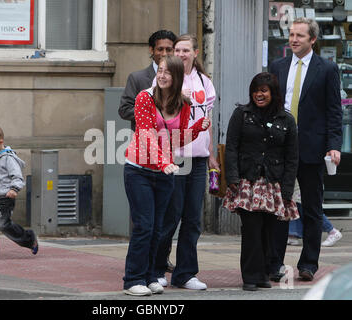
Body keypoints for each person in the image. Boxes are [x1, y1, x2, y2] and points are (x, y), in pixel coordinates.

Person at [122, 55, 210, 296]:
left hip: (165, 172)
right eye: (159, 70)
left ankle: (151, 276)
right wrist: (163, 162)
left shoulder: (183, 104)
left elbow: (177, 139)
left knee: (159, 228)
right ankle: (132, 279)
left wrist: (196, 129)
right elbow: (146, 134)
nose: (161, 75)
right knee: (144, 226)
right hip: (139, 170)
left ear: (177, 77)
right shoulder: (144, 98)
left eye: (167, 73)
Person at [269, 18, 343, 282]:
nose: (293, 39)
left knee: (311, 210)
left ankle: (308, 263)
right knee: (279, 207)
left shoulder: (327, 69)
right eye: (291, 34)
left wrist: (334, 145)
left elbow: (334, 111)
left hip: (312, 149)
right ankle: (274, 263)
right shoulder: (277, 66)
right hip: (280, 149)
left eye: (300, 35)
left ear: (313, 39)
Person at [222, 72, 299, 291]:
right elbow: (231, 147)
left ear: (273, 93)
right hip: (248, 182)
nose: (259, 94)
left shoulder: (286, 119)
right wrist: (233, 178)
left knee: (270, 231)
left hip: (274, 184)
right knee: (251, 230)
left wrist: (287, 190)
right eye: (256, 90)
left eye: (264, 91)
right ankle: (250, 276)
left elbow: (292, 157)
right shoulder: (242, 114)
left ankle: (264, 273)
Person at [154, 34, 217, 291]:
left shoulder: (206, 82)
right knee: (171, 215)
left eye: (185, 50)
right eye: (177, 50)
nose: (181, 54)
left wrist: (211, 154)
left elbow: (208, 119)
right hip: (174, 156)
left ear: (195, 52)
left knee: (193, 218)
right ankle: (157, 268)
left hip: (199, 157)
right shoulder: (165, 79)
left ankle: (186, 273)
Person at [0, 124, 38, 258]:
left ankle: (29, 238)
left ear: (0, 142)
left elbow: (17, 176)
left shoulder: (9, 159)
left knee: (3, 225)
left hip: (4, 198)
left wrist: (14, 189)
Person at [119, 29, 177, 132]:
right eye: (160, 49)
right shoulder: (137, 78)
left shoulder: (181, 78)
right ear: (151, 50)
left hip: (176, 141)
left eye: (168, 49)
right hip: (146, 141)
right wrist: (154, 113)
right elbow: (125, 110)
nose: (164, 54)